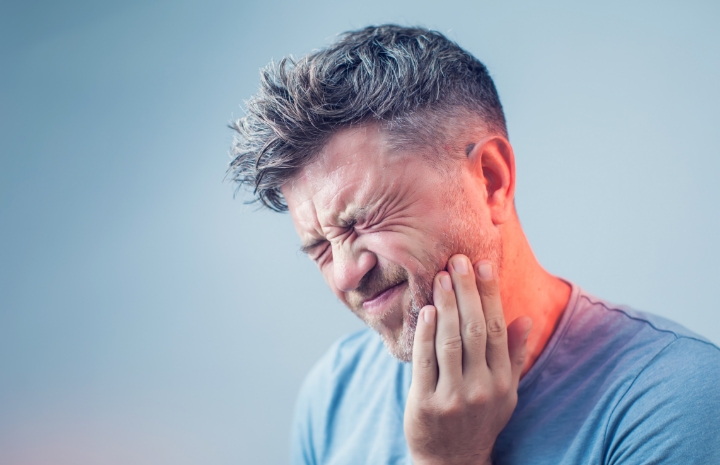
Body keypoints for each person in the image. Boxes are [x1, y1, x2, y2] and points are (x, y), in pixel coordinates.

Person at [228, 24, 720, 464]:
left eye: (362, 221)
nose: (344, 274)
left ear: (490, 180)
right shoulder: (333, 395)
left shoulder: (678, 403)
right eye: (318, 247)